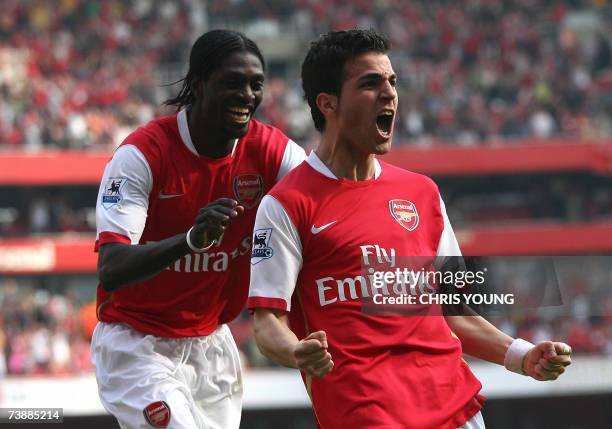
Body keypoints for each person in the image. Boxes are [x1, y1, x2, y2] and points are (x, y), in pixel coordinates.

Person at [247, 29, 572, 429]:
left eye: (392, 82)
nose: (389, 94)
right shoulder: (286, 204)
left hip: (457, 410)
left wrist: (522, 355)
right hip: (369, 417)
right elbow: (266, 323)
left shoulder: (422, 193)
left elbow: (453, 311)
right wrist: (297, 352)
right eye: (370, 83)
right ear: (327, 103)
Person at [91, 29, 306, 429]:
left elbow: (325, 212)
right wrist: (191, 240)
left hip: (213, 345)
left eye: (255, 84)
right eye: (233, 82)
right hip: (136, 342)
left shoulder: (275, 153)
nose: (247, 95)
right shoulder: (142, 155)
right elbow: (112, 266)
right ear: (200, 83)